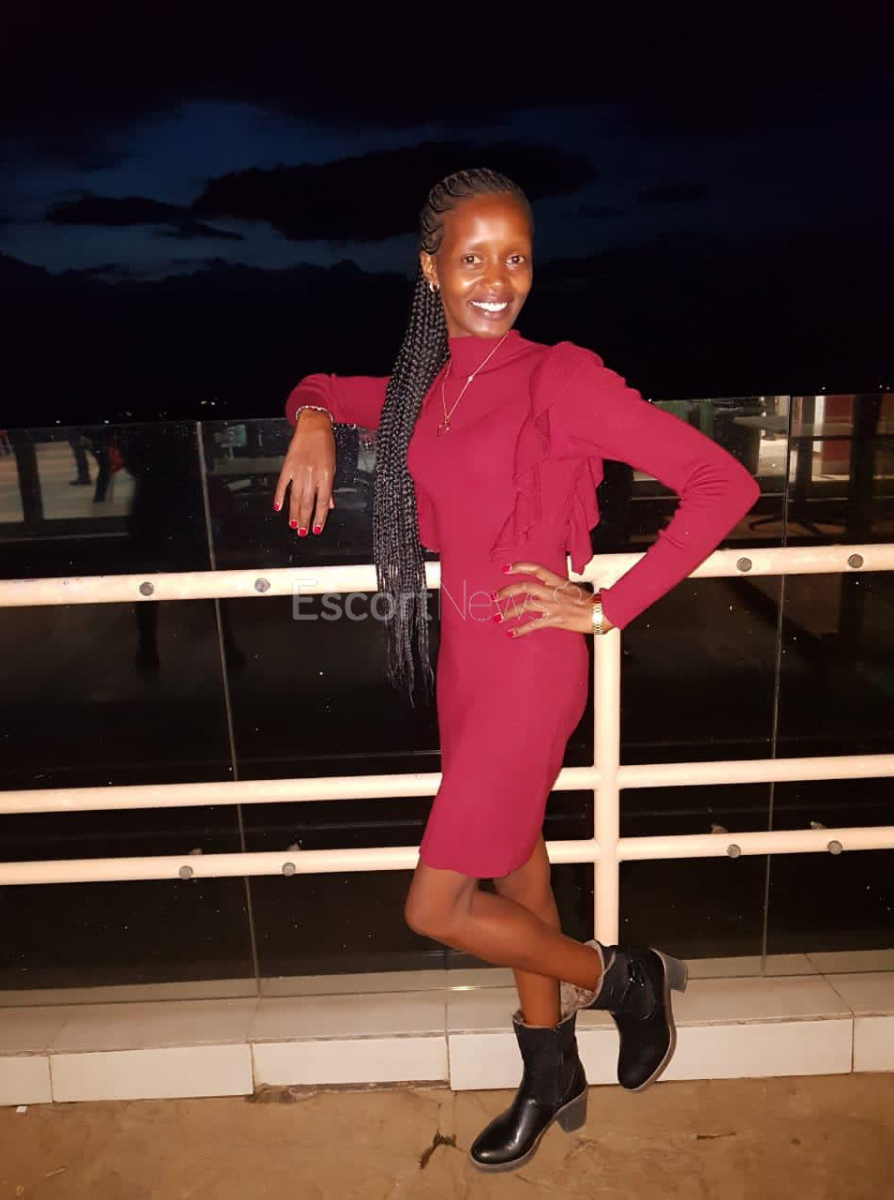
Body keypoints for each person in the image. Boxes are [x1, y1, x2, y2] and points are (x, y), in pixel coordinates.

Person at [274, 168, 760, 1173]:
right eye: (473, 259)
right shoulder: (424, 389)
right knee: (516, 869)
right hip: (466, 662)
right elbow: (317, 384)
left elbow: (721, 482)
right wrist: (313, 421)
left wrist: (608, 605)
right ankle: (550, 1072)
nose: (497, 280)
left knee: (437, 905)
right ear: (431, 270)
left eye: (517, 258)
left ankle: (623, 977)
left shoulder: (558, 380)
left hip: (531, 665)